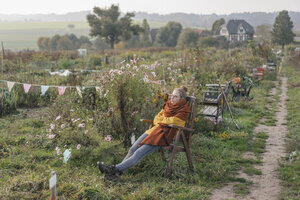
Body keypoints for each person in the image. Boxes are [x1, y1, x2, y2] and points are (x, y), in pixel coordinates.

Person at [97, 86, 191, 181]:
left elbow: (174, 121)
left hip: (162, 136)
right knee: (133, 148)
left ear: (182, 99)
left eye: (175, 96)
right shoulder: (168, 105)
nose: (172, 98)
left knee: (138, 153)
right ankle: (116, 173)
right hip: (154, 131)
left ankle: (113, 169)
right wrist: (163, 121)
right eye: (172, 96)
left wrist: (162, 120)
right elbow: (156, 118)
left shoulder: (184, 110)